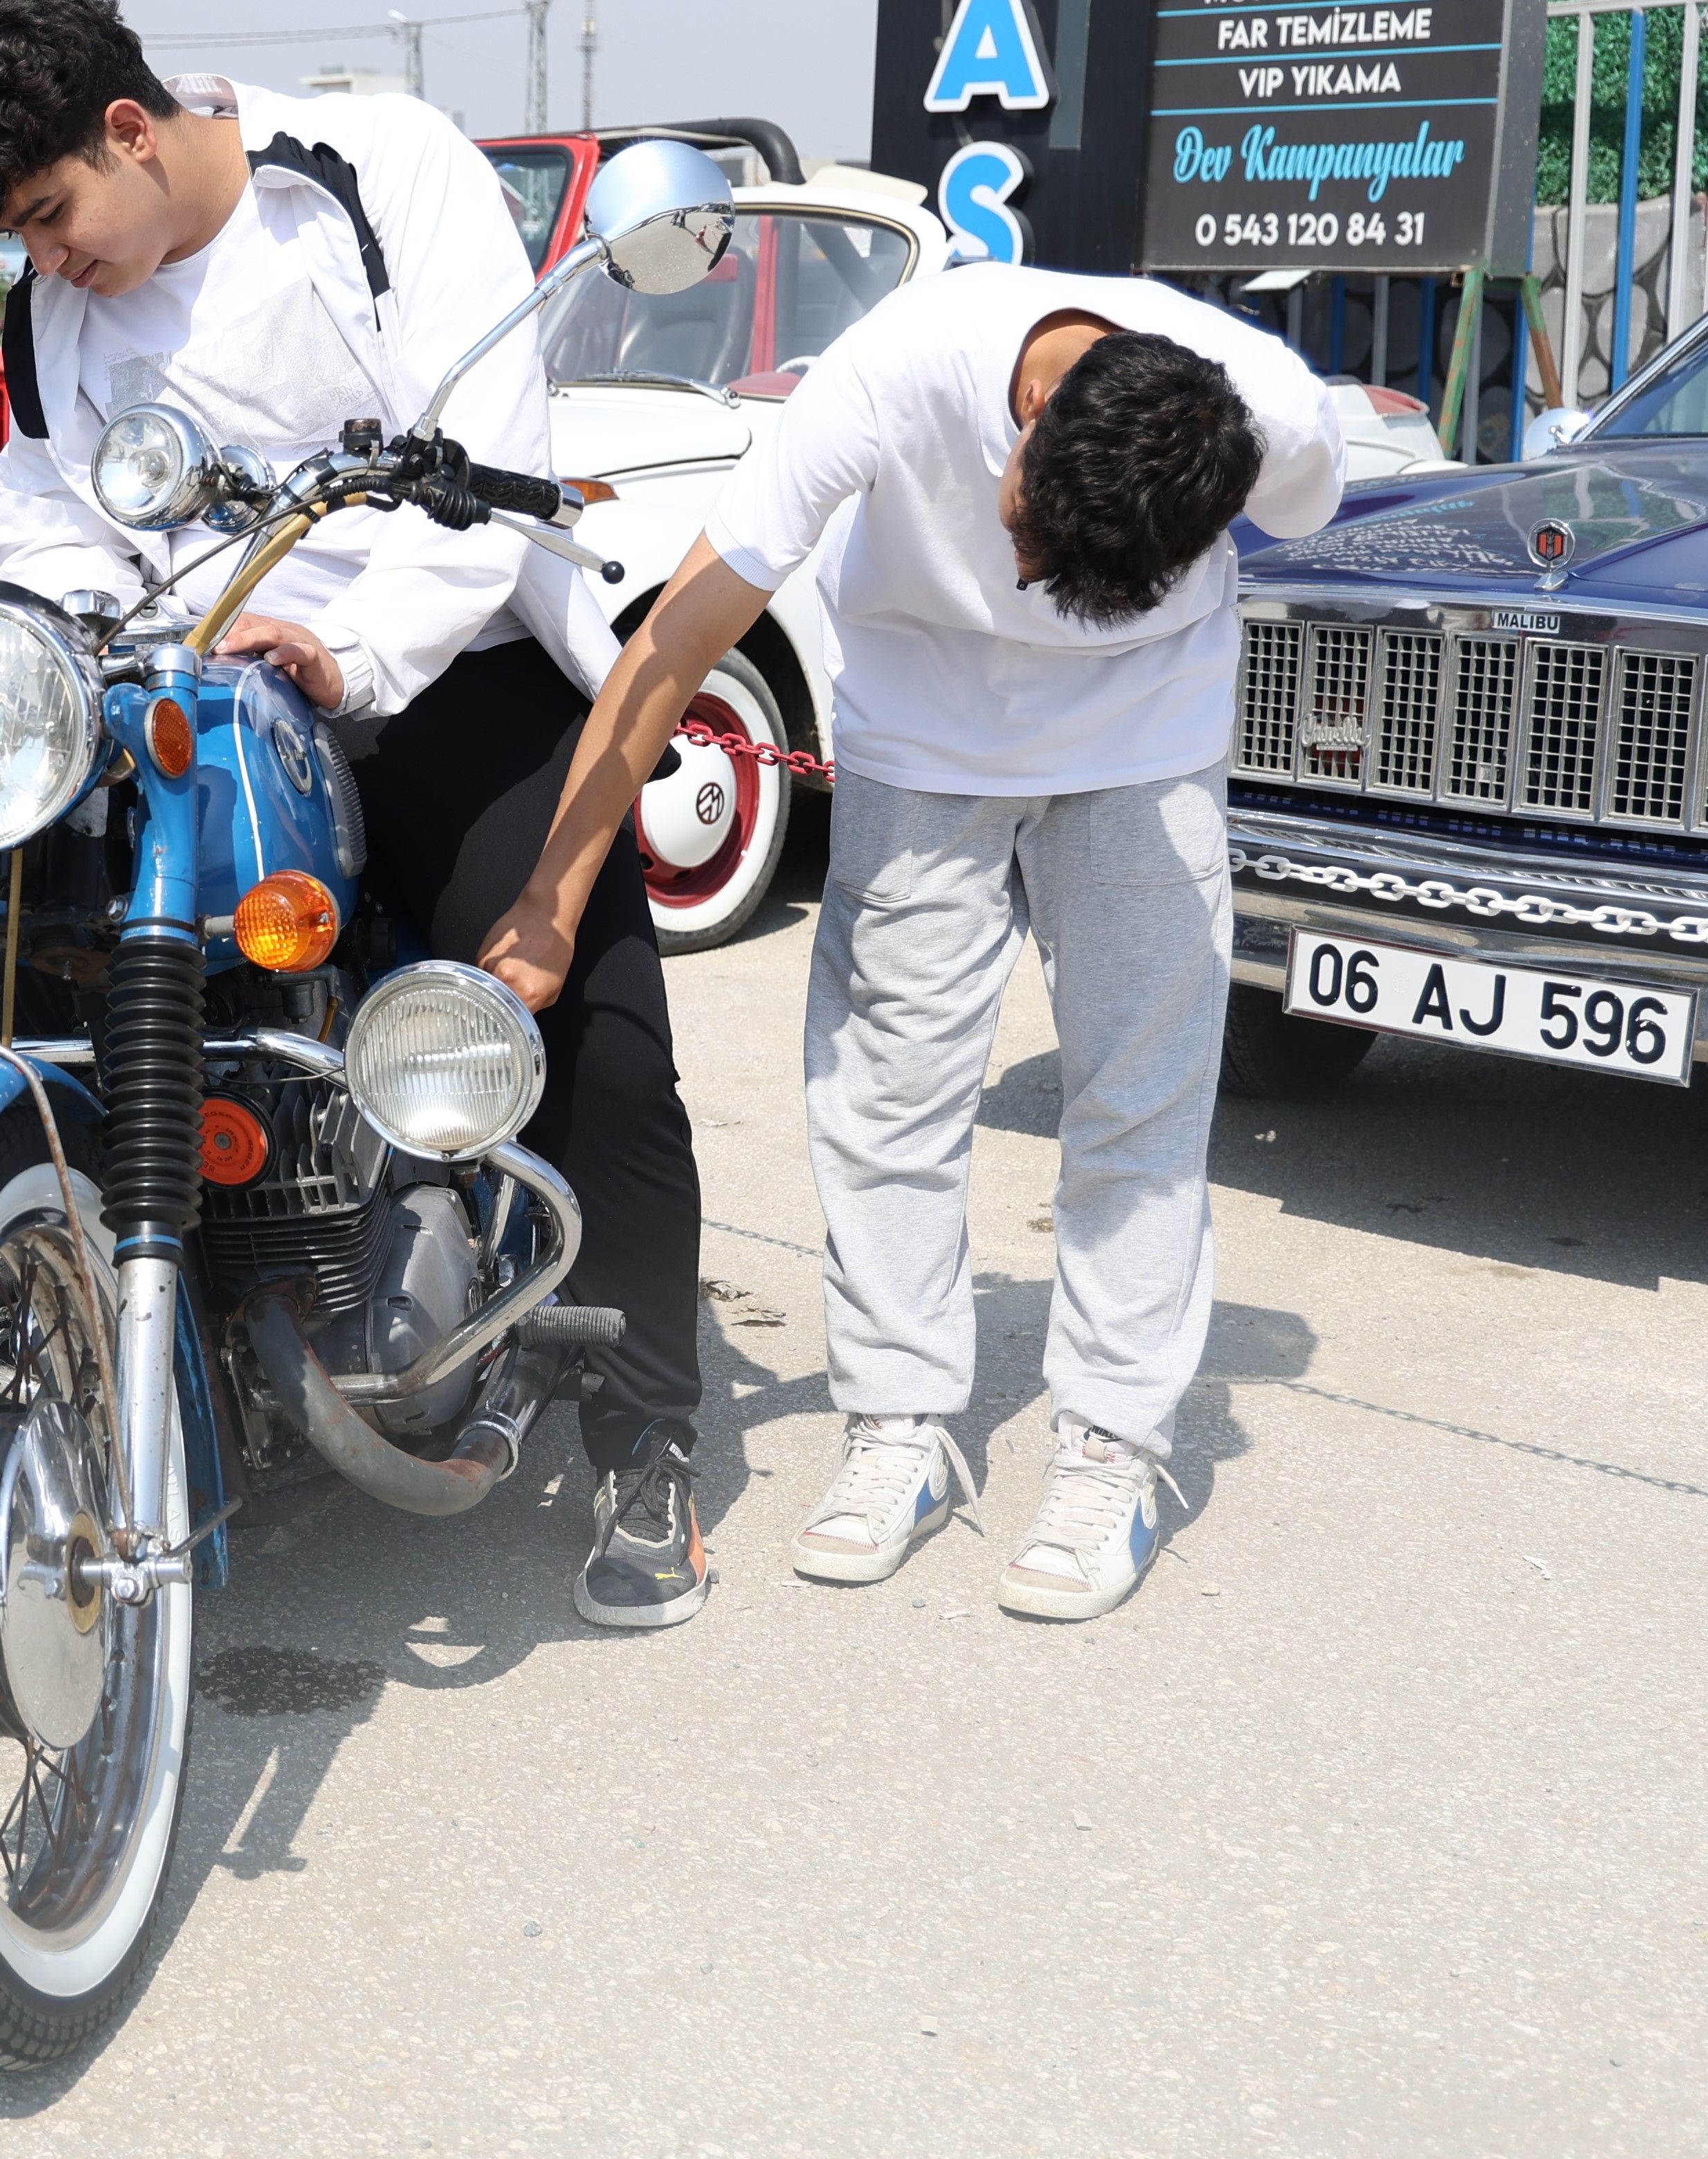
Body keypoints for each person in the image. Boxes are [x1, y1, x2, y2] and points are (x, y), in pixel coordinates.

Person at [0, 0, 712, 1629]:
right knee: (15, 966)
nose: (48, 261)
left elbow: (492, 464)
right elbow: (45, 501)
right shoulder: (52, 307)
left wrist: (339, 643)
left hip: (438, 652)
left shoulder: (373, 165)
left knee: (595, 1037)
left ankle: (647, 1439)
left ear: (130, 131)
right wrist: (86, 634)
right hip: (186, 701)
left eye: (52, 214)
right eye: (17, 241)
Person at [480, 259, 1343, 1623]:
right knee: (887, 1094)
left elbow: (1307, 510)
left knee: (1138, 1099)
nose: (1017, 570)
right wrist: (553, 892)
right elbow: (685, 630)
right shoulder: (896, 367)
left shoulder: (1270, 409)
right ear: (1035, 412)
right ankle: (901, 1428)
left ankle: (1114, 1444)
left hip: (1146, 748)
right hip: (919, 743)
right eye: (1019, 526)